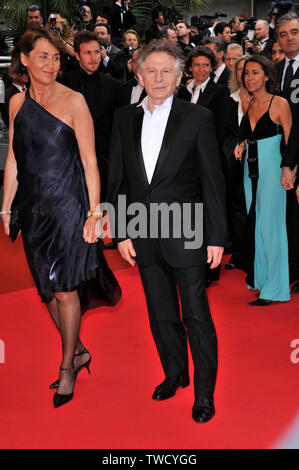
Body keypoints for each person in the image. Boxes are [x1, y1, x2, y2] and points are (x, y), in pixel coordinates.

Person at [107, 40, 228, 423]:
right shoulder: (123, 118)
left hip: (187, 227)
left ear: (179, 77)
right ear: (138, 74)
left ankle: (205, 393)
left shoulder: (197, 118)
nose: (158, 78)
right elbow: (119, 179)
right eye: (150, 70)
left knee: (196, 315)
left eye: (166, 71)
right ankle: (175, 373)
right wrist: (122, 230)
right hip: (142, 230)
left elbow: (213, 179)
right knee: (160, 313)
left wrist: (217, 236)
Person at [0, 28, 121, 407]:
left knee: (66, 289)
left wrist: (94, 212)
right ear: (24, 60)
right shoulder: (17, 105)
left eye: (56, 58)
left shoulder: (74, 101)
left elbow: (89, 161)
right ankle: (80, 350)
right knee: (47, 290)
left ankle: (67, 366)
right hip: (34, 210)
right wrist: (5, 207)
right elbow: (14, 160)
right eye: (43, 57)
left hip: (69, 205)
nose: (52, 65)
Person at [234, 55, 292, 305]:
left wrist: (290, 170)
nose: (250, 78)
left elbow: (291, 141)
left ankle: (276, 288)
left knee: (272, 227)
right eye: (247, 73)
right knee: (257, 225)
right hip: (252, 171)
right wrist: (242, 144)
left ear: (267, 76)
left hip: (274, 171)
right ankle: (262, 280)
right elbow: (251, 134)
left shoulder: (279, 103)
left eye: (255, 72)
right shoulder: (249, 104)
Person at [63, 31, 120, 202]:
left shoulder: (114, 85)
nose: (94, 57)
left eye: (97, 52)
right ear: (78, 56)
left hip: (103, 161)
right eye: (88, 53)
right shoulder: (64, 84)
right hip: (69, 161)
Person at [275, 13, 299, 291]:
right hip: (280, 153)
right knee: (289, 216)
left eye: (294, 32)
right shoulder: (277, 69)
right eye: (283, 34)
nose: (289, 38)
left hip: (295, 156)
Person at [223, 55, 251, 270]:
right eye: (241, 69)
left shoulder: (265, 98)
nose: (245, 74)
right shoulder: (229, 98)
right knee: (235, 205)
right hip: (231, 162)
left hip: (257, 160)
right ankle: (238, 251)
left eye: (249, 69)